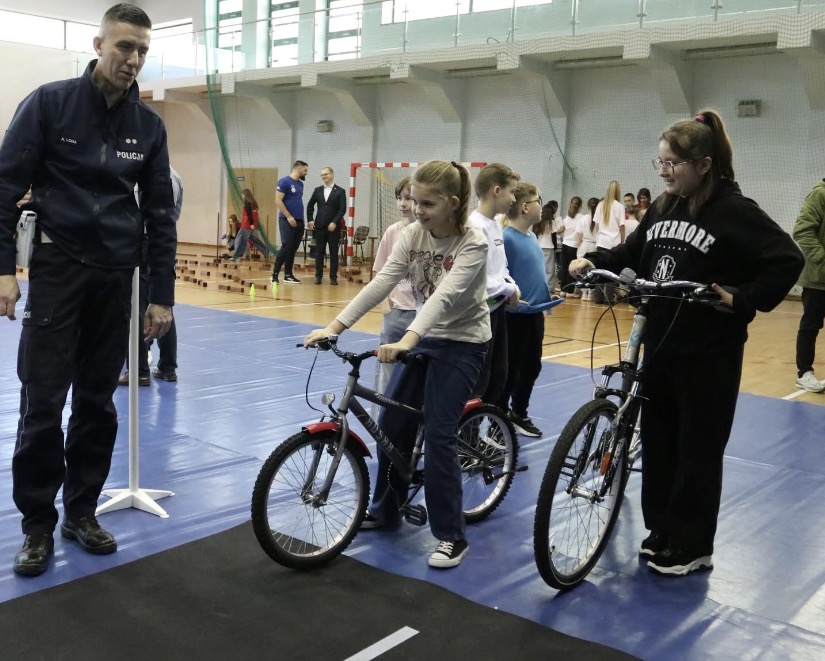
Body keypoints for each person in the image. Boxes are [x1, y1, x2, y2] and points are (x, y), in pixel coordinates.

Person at [569, 110, 803, 576]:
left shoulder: (735, 211)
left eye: (673, 163)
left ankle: (694, 545)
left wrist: (743, 300)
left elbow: (786, 259)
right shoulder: (661, 207)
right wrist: (590, 260)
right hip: (660, 344)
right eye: (660, 163)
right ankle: (663, 530)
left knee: (697, 449)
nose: (664, 172)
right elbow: (632, 254)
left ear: (703, 163)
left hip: (708, 353)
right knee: (658, 443)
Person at [0, 3, 176, 577]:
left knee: (97, 405)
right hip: (57, 272)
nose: (133, 59)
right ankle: (37, 525)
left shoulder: (149, 127)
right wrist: (5, 269)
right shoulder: (50, 103)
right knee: (43, 403)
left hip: (115, 279)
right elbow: (5, 187)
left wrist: (161, 294)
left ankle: (80, 511)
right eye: (125, 47)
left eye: (143, 51)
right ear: (99, 44)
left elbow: (159, 215)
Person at [304, 160, 490, 569]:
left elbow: (442, 298)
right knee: (391, 424)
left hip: (462, 344)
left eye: (427, 204)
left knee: (439, 435)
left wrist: (407, 340)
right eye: (413, 201)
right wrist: (334, 326)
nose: (417, 210)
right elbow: (382, 282)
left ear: (453, 203)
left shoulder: (473, 243)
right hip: (424, 338)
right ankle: (387, 508)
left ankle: (452, 537)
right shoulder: (411, 235)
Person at [497, 183, 557, 438]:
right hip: (514, 319)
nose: (541, 206)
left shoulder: (531, 236)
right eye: (538, 201)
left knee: (531, 366)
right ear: (524, 207)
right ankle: (498, 420)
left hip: (534, 315)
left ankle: (518, 413)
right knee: (509, 370)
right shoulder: (507, 238)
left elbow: (533, 275)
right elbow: (502, 276)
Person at [119, 166, 183, 386]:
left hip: (142, 241)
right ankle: (168, 367)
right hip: (165, 242)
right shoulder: (176, 177)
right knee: (163, 304)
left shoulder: (142, 176)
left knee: (136, 305)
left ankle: (139, 371)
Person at [469, 163, 521, 404]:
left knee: (497, 378)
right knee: (478, 383)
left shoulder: (495, 224)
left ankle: (477, 433)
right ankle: (466, 437)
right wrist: (508, 288)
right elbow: (476, 279)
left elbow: (500, 268)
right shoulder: (475, 226)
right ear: (496, 190)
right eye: (512, 192)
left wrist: (511, 284)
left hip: (496, 310)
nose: (514, 198)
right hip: (480, 315)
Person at [371, 177, 417, 407]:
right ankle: (383, 428)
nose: (402, 203)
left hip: (421, 317)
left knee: (417, 377)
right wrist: (386, 309)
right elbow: (379, 273)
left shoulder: (430, 233)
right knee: (386, 379)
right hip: (396, 314)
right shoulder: (392, 232)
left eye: (408, 198)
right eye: (399, 198)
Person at [792, 180, 825, 392]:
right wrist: (823, 259)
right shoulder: (819, 194)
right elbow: (802, 231)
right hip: (818, 279)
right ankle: (804, 373)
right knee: (810, 326)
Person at [306, 166, 347, 285]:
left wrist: (334, 222)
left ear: (332, 174)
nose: (324, 176)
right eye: (322, 175)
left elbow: (342, 209)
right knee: (319, 252)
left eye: (326, 174)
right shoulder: (317, 190)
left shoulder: (340, 191)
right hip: (319, 227)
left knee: (334, 253)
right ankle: (318, 276)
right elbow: (310, 206)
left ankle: (333, 277)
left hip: (334, 228)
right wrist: (310, 219)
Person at [271, 160, 308, 284]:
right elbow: (277, 200)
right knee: (286, 246)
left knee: (293, 248)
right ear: (298, 169)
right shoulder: (284, 182)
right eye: (305, 170)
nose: (306, 173)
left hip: (299, 220)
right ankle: (274, 275)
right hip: (286, 220)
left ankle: (288, 275)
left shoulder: (301, 184)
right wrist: (288, 216)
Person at [592, 180, 626, 303]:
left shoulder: (600, 205)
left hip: (601, 242)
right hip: (614, 243)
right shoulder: (619, 206)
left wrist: (599, 237)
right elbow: (622, 227)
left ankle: (598, 297)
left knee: (600, 271)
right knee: (611, 273)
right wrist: (622, 244)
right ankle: (609, 298)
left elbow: (596, 225)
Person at [232, 188, 268, 261]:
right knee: (256, 240)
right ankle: (267, 253)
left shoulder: (247, 202)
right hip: (254, 225)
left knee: (240, 239)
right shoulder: (254, 203)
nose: (242, 196)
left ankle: (237, 256)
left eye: (242, 194)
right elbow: (255, 214)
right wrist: (253, 224)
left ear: (245, 195)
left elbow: (249, 213)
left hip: (247, 224)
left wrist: (251, 223)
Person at [575, 197, 600, 301]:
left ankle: (584, 293)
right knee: (592, 271)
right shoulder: (599, 220)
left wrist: (577, 247)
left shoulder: (583, 218)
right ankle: (591, 293)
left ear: (588, 206)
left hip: (584, 245)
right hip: (594, 245)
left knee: (581, 270)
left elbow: (579, 236)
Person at [558, 196, 584, 297]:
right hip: (574, 246)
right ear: (580, 206)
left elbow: (562, 229)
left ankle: (562, 290)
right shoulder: (582, 217)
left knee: (564, 267)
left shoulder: (566, 217)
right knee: (571, 268)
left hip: (565, 245)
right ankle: (570, 290)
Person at [534, 201, 559, 295]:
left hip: (538, 246)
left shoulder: (538, 222)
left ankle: (539, 286)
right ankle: (549, 287)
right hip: (549, 247)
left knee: (539, 268)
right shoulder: (552, 222)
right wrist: (555, 247)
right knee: (549, 269)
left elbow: (535, 234)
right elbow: (554, 236)